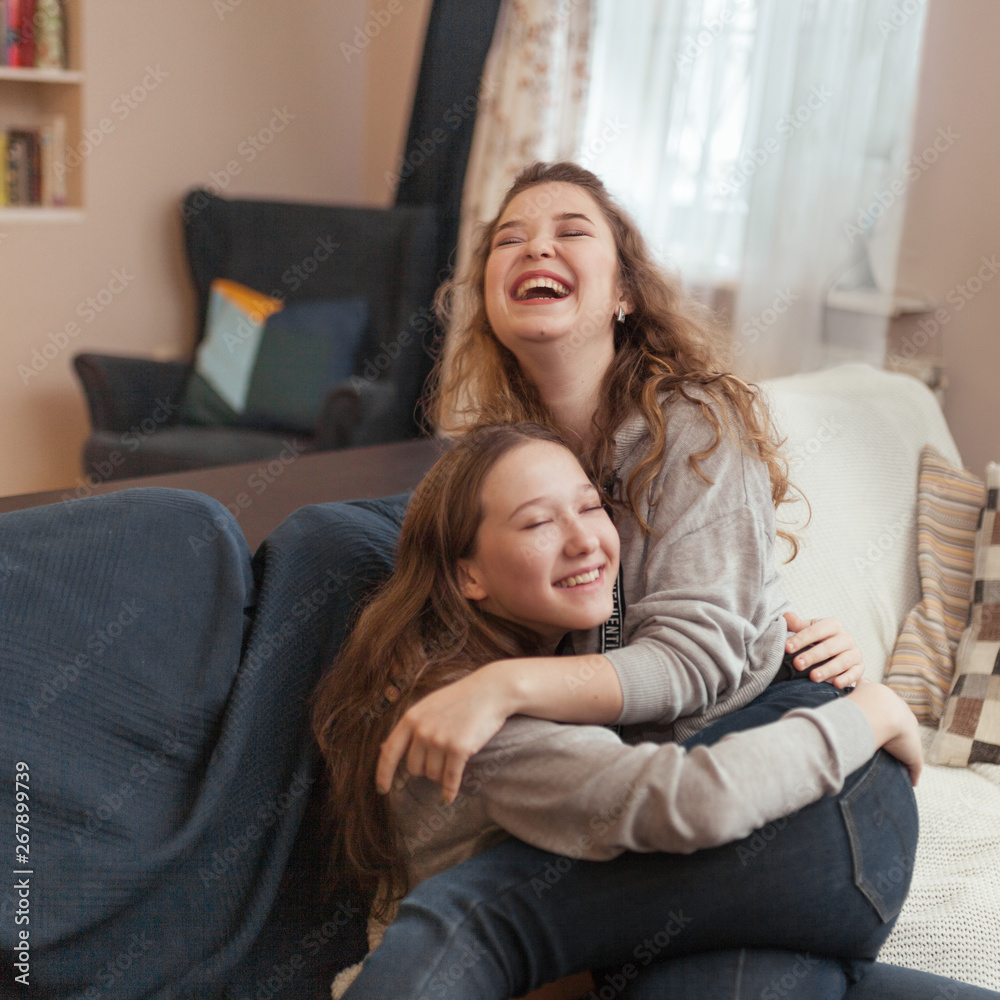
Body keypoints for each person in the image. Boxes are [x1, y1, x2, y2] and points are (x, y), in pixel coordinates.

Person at [313, 161, 998, 998]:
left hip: (790, 775)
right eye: (509, 240)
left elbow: (696, 660)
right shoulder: (500, 463)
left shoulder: (689, 425)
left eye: (571, 231)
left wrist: (504, 686)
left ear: (624, 292)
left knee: (475, 913)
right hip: (697, 828)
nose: (537, 246)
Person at [313, 421, 927, 999]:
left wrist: (803, 650)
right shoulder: (468, 722)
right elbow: (687, 798)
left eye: (588, 506)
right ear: (468, 575)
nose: (584, 541)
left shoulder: (515, 659)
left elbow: (698, 648)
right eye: (536, 525)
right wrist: (871, 714)